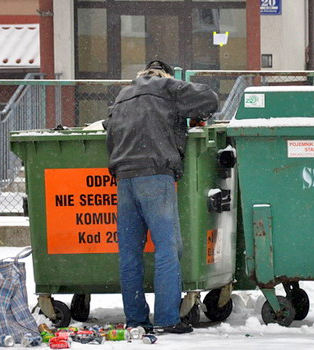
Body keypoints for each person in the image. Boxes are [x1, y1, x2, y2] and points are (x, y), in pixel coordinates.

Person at [104, 60, 218, 334]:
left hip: (125, 178)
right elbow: (209, 98)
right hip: (155, 174)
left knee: (129, 253)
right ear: (165, 75)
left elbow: (109, 129)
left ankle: (136, 319)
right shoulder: (166, 87)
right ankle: (167, 318)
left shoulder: (122, 96)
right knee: (168, 248)